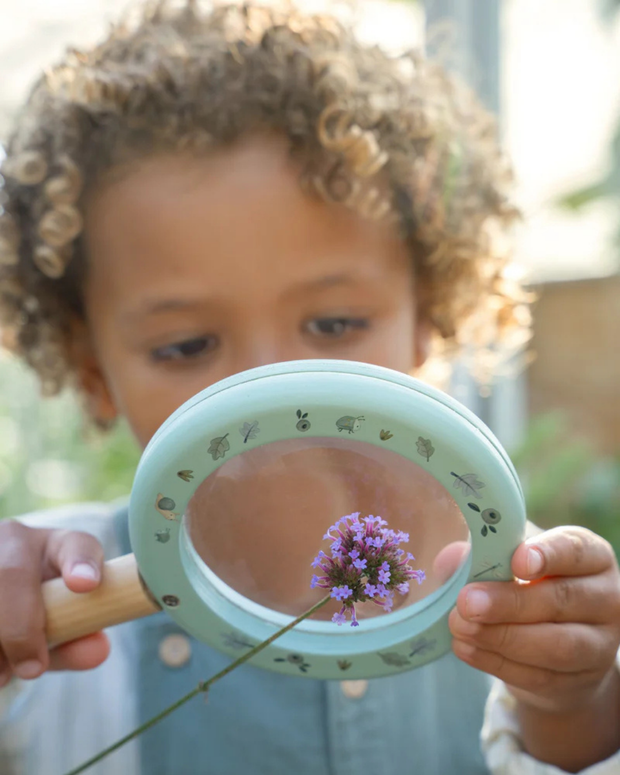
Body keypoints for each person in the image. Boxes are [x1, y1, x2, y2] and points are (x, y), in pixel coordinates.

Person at [0, 2, 619, 774]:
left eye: (332, 324)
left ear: (427, 321)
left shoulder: (508, 586)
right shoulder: (61, 598)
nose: (269, 393)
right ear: (93, 372)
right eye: (188, 343)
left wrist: (573, 701)